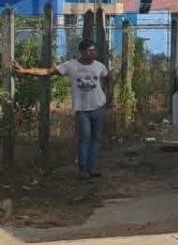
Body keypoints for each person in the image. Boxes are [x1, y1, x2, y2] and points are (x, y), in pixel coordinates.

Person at [14, 39, 110, 179]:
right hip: (82, 109)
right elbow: (48, 71)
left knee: (96, 138)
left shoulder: (99, 66)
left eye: (94, 50)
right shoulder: (71, 65)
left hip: (98, 107)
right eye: (90, 51)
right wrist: (26, 71)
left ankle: (91, 168)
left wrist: (110, 98)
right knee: (85, 137)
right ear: (82, 52)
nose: (93, 53)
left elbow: (109, 78)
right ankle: (82, 168)